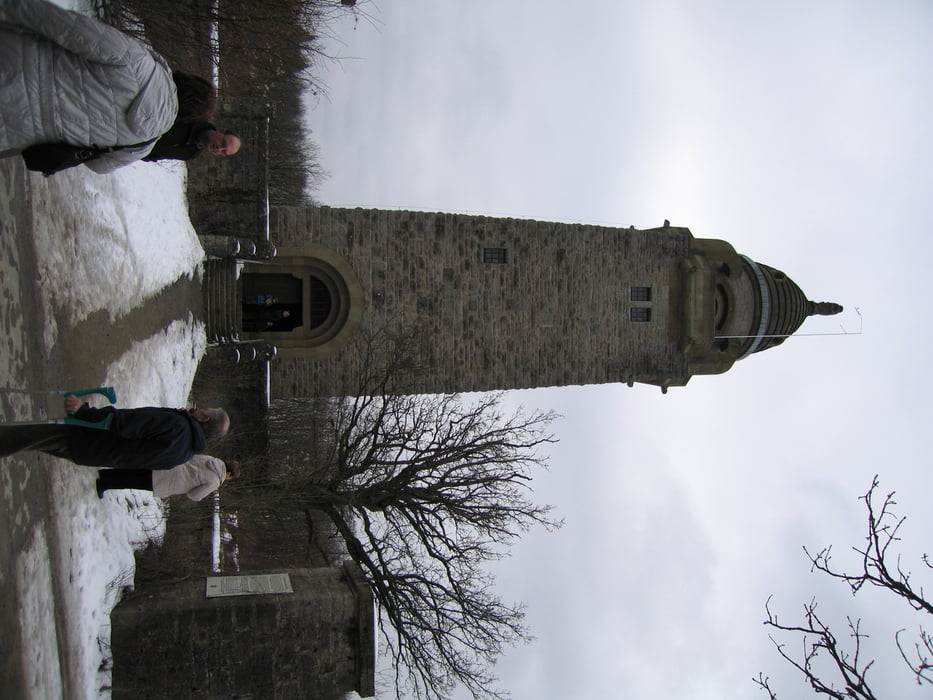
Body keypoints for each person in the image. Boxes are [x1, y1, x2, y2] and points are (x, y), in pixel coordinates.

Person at [0, 0, 209, 173]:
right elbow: (99, 166)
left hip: (13, 60)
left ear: (183, 79)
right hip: (15, 128)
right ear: (185, 114)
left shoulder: (137, 62)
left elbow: (66, 28)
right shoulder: (143, 144)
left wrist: (12, 7)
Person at [0, 396, 230, 470]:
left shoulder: (177, 426)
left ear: (203, 418)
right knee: (26, 442)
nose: (198, 407)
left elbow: (125, 423)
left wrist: (84, 411)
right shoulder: (184, 454)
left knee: (21, 437)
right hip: (91, 454)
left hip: (87, 436)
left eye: (203, 410)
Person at [96, 455, 241, 501]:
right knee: (134, 482)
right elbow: (195, 496)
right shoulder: (215, 481)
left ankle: (106, 473)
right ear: (229, 475)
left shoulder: (212, 460)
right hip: (169, 481)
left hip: (169, 465)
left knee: (135, 471)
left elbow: (192, 456)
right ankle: (104, 484)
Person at [143, 121, 241, 162]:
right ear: (221, 131)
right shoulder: (193, 117)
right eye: (223, 143)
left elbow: (154, 155)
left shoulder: (190, 154)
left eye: (224, 151)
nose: (219, 148)